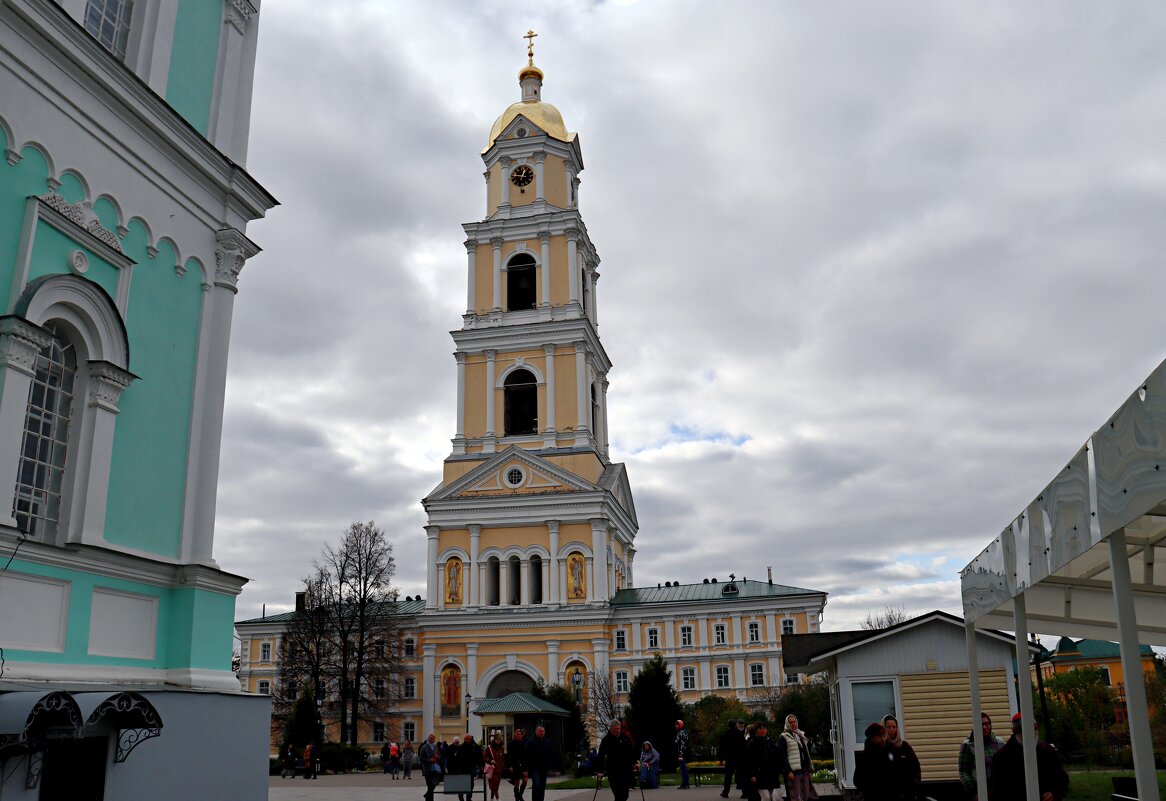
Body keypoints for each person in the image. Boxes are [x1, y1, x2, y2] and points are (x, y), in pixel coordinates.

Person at [989, 714, 1069, 801]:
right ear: (1018, 734)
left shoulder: (1047, 751)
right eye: (1026, 733)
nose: (1032, 735)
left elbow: (1062, 778)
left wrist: (1054, 793)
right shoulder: (1002, 757)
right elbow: (997, 791)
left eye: (1034, 731)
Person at [958, 713, 1005, 801]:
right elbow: (963, 772)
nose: (984, 727)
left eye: (987, 724)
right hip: (978, 789)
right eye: (981, 724)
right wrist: (974, 791)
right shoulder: (968, 745)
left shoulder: (1000, 743)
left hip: (998, 788)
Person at [596, 720, 638, 801]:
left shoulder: (625, 737)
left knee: (625, 795)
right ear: (611, 729)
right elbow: (600, 756)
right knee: (618, 794)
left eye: (619, 728)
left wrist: (634, 762)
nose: (618, 731)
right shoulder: (606, 740)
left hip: (626, 770)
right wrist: (600, 771)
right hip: (613, 771)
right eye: (616, 729)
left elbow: (631, 751)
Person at [854, 723, 896, 801]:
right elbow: (857, 780)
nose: (883, 739)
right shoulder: (865, 757)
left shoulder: (890, 752)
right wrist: (870, 792)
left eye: (884, 736)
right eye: (879, 737)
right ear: (872, 739)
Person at [884, 715, 921, 801]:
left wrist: (913, 784)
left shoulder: (905, 746)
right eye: (888, 727)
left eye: (894, 727)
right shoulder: (882, 748)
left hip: (907, 794)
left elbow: (916, 767)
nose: (892, 730)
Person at [779, 715, 813, 801]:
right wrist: (788, 771)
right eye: (791, 722)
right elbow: (782, 756)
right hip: (793, 771)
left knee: (806, 795)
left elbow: (806, 753)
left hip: (803, 769)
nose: (793, 724)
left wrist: (809, 769)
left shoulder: (800, 735)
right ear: (787, 723)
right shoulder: (784, 736)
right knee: (796, 796)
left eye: (794, 722)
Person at [743, 721, 780, 801]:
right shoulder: (752, 743)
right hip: (759, 774)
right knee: (765, 797)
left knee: (770, 796)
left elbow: (776, 755)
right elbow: (748, 761)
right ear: (756, 731)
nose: (763, 730)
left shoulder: (769, 741)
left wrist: (777, 768)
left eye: (764, 728)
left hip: (770, 774)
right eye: (760, 729)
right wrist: (751, 774)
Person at [524, 725, 558, 801]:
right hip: (534, 768)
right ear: (536, 732)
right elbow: (526, 756)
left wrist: (550, 764)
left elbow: (552, 753)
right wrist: (526, 769)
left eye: (543, 731)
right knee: (536, 784)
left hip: (544, 768)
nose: (541, 733)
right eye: (540, 731)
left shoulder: (547, 742)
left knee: (542, 786)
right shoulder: (530, 742)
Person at [451, 733, 484, 801]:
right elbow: (456, 759)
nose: (469, 740)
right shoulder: (460, 747)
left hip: (471, 769)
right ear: (464, 739)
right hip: (462, 769)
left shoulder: (474, 747)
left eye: (470, 739)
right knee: (462, 785)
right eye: (467, 739)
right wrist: (457, 769)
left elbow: (478, 757)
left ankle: (469, 798)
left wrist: (480, 765)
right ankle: (461, 797)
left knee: (471, 785)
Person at [720, 718, 746, 799]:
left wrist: (722, 758)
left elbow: (722, 746)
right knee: (742, 775)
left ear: (728, 725)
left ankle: (725, 792)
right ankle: (745, 793)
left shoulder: (726, 733)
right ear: (735, 725)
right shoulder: (739, 733)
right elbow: (743, 745)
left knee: (728, 776)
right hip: (739, 757)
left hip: (729, 758)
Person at [485, 731, 508, 800]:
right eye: (496, 740)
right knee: (494, 785)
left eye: (499, 739)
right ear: (494, 740)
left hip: (499, 770)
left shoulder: (501, 748)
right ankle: (498, 798)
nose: (498, 741)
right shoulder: (489, 747)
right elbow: (485, 756)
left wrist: (502, 767)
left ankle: (491, 798)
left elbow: (503, 759)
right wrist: (490, 760)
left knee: (495, 785)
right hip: (491, 770)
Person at [420, 733, 443, 801]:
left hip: (435, 769)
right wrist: (430, 759)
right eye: (430, 738)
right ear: (428, 739)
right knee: (429, 785)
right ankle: (429, 799)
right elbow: (421, 758)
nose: (432, 740)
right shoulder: (424, 747)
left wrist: (437, 757)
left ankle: (427, 795)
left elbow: (440, 756)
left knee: (434, 784)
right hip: (427, 769)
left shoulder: (435, 747)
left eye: (433, 738)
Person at [508, 728, 528, 801]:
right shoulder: (511, 744)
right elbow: (509, 756)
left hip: (523, 764)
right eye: (518, 734)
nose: (519, 736)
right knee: (516, 783)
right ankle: (517, 797)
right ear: (515, 735)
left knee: (525, 780)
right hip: (515, 765)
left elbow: (526, 755)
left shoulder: (524, 743)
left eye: (520, 734)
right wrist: (510, 766)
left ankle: (520, 795)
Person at [675, 719, 691, 789]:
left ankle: (684, 784)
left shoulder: (680, 733)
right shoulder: (684, 732)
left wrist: (680, 754)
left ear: (680, 725)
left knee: (683, 768)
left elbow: (682, 744)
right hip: (684, 752)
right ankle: (686, 783)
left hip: (681, 753)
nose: (675, 726)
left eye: (677, 724)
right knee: (684, 767)